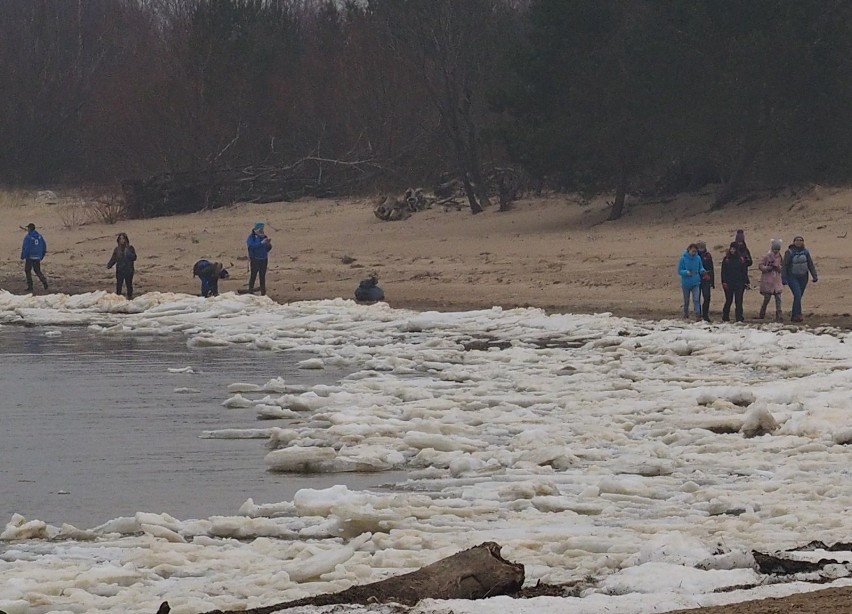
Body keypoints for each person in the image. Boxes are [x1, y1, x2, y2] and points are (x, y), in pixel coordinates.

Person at [782, 235, 818, 323]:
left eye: (801, 240)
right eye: (797, 240)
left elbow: (810, 264)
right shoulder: (789, 252)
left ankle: (795, 315)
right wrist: (783, 278)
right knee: (797, 295)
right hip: (792, 277)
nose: (799, 242)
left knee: (798, 296)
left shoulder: (806, 252)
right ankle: (797, 315)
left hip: (804, 277)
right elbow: (784, 266)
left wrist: (814, 275)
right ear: (794, 242)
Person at [721, 243, 749, 322]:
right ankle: (725, 316)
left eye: (734, 249)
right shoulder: (726, 259)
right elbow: (723, 272)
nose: (732, 250)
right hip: (728, 283)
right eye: (731, 249)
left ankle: (739, 317)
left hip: (739, 283)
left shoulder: (741, 259)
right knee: (729, 300)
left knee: (739, 301)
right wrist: (724, 282)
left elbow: (744, 271)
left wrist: (746, 282)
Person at [757, 239, 784, 322]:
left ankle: (779, 316)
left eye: (778, 249)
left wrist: (778, 267)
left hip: (777, 281)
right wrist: (767, 268)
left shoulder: (780, 257)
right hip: (768, 281)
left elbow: (782, 267)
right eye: (775, 249)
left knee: (778, 299)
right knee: (766, 299)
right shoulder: (767, 256)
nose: (776, 251)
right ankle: (762, 314)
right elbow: (760, 265)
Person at [677, 243, 705, 320]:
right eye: (693, 251)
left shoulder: (698, 258)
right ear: (689, 250)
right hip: (686, 283)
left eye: (695, 251)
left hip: (696, 282)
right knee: (686, 300)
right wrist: (686, 272)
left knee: (696, 299)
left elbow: (700, 267)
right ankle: (686, 314)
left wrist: (702, 271)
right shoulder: (683, 259)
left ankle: (698, 315)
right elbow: (679, 271)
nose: (694, 253)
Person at [106, 232, 137, 299]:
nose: (122, 240)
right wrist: (109, 265)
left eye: (123, 239)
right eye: (120, 239)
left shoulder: (130, 248)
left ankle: (130, 297)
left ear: (126, 239)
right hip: (120, 270)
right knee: (119, 285)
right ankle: (118, 298)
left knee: (129, 285)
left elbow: (134, 258)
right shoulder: (117, 250)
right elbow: (113, 259)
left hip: (129, 270)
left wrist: (128, 254)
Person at [20, 222, 48, 292]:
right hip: (37, 256)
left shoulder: (28, 237)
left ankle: (30, 286)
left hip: (30, 256)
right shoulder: (39, 236)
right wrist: (42, 255)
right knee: (37, 270)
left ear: (30, 229)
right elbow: (44, 246)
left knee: (27, 270)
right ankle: (44, 283)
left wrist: (23, 256)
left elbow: (26, 247)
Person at [246, 221, 272, 296]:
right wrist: (261, 243)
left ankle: (263, 293)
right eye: (260, 229)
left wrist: (268, 244)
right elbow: (251, 246)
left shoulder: (264, 236)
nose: (262, 230)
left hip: (263, 259)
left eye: (262, 229)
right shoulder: (251, 237)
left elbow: (268, 248)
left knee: (262, 276)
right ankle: (250, 292)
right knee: (253, 275)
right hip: (255, 259)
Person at [696, 240, 715, 322]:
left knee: (707, 297)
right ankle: (698, 314)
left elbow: (711, 268)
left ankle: (705, 314)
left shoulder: (708, 255)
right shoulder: (694, 256)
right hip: (696, 279)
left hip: (706, 279)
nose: (701, 249)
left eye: (702, 248)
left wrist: (712, 281)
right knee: (697, 298)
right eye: (700, 248)